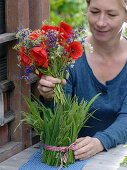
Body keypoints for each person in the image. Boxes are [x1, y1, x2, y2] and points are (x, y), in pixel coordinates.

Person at [37, 0, 127, 161]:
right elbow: (59, 117)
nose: (100, 22)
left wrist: (101, 141)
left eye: (111, 14)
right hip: (75, 155)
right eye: (94, 12)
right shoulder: (68, 56)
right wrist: (50, 97)